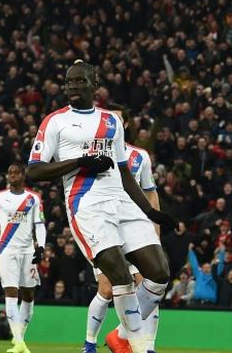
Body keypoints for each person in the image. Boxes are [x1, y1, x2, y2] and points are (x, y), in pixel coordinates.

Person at [26, 60, 175, 353]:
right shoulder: (55, 121)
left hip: (123, 202)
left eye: (80, 81)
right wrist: (80, 162)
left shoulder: (111, 121)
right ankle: (137, 346)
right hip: (87, 205)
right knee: (120, 277)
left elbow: (123, 172)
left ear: (94, 84)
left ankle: (120, 335)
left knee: (159, 274)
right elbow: (33, 171)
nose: (73, 87)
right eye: (69, 82)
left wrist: (149, 211)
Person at [83, 103, 162, 353]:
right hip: (105, 228)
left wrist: (155, 231)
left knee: (151, 282)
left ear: (125, 125)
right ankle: (90, 343)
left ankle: (145, 345)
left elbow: (150, 194)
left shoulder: (140, 157)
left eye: (117, 121)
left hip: (134, 229)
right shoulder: (94, 155)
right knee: (107, 288)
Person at [0, 163, 46, 353]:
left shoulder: (33, 198)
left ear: (23, 175)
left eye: (16, 172)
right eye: (9, 173)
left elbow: (40, 224)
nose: (12, 175)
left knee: (28, 296)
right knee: (11, 293)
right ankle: (18, 342)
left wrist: (41, 246)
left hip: (28, 251)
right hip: (7, 251)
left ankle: (20, 339)